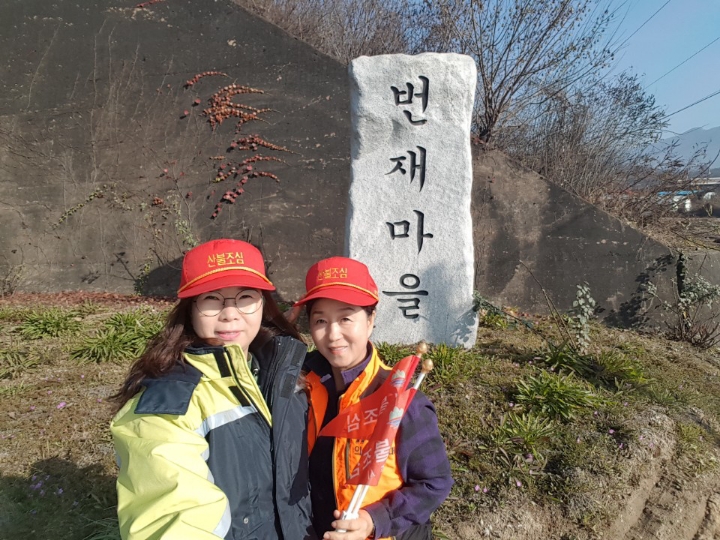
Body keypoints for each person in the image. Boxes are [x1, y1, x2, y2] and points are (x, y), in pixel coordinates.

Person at [110, 239, 316, 540]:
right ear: (190, 310)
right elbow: (172, 514)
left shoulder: (286, 373)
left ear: (263, 304)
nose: (230, 313)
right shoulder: (166, 405)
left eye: (245, 297)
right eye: (212, 299)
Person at [294, 256, 453, 540]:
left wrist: (374, 520)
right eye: (320, 320)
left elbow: (434, 483)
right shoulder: (302, 385)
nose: (333, 334)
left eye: (345, 318)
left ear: (370, 320)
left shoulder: (401, 400)